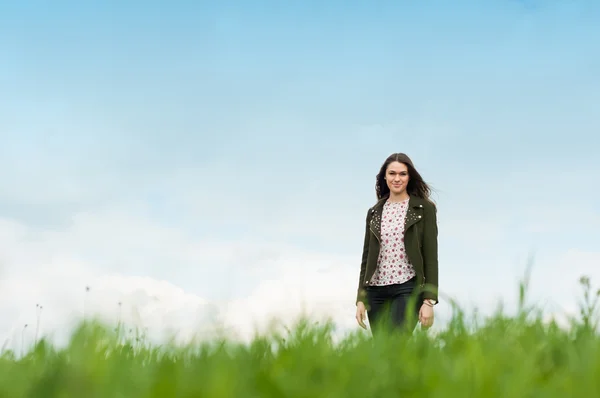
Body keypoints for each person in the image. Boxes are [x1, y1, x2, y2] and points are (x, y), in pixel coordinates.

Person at [355, 153, 439, 336]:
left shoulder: (424, 209)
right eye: (392, 173)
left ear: (409, 177)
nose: (397, 179)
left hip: (407, 287)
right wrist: (361, 298)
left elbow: (431, 256)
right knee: (383, 352)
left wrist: (428, 301)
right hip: (375, 291)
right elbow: (366, 257)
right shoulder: (374, 212)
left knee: (397, 343)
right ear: (384, 177)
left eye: (403, 174)